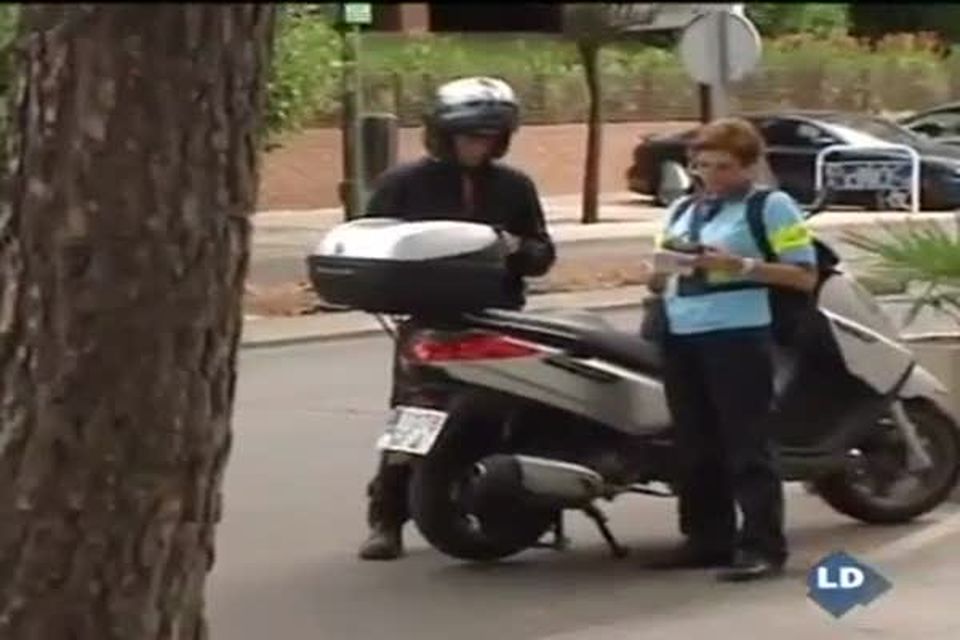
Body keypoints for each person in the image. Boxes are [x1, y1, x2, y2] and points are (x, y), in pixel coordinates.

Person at [357, 76, 557, 561]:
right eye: (469, 137)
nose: (477, 147)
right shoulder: (402, 184)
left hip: (498, 317)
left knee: (507, 410)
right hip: (430, 321)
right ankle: (387, 518)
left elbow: (542, 251)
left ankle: (509, 503)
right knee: (414, 418)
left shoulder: (514, 186)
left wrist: (517, 248)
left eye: (488, 139)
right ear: (443, 136)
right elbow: (371, 240)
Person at [646, 118, 818, 582]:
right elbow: (663, 266)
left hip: (738, 335)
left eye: (724, 167)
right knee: (695, 443)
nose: (712, 177)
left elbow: (803, 273)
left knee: (746, 443)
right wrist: (662, 272)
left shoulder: (771, 206)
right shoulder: (687, 207)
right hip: (683, 334)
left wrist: (738, 265)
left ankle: (762, 545)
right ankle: (706, 538)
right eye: (702, 166)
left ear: (748, 166)